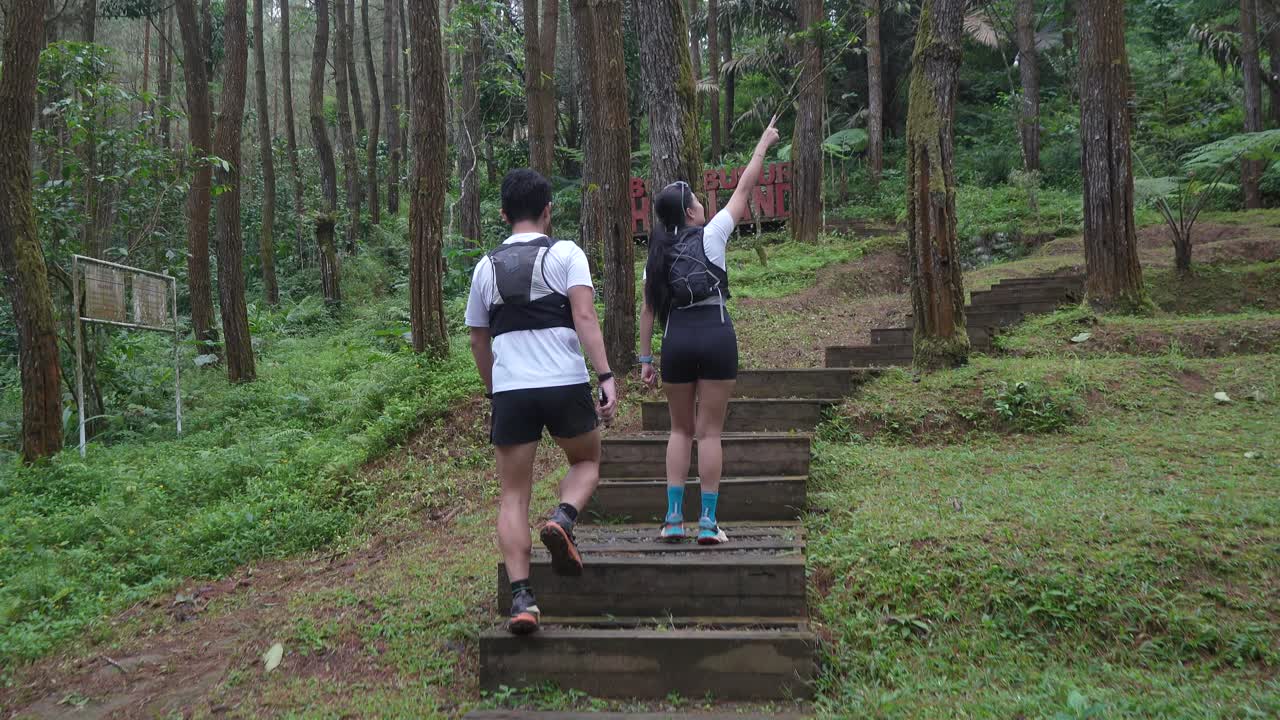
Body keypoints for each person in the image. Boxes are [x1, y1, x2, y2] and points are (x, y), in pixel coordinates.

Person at [465, 168, 619, 635]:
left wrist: (494, 389)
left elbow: (478, 339)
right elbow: (584, 316)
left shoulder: (484, 267)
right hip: (563, 382)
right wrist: (606, 375)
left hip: (511, 389)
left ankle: (523, 600)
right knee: (586, 462)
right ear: (548, 210)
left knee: (513, 495)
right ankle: (563, 518)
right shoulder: (567, 253)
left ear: (503, 214)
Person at [638, 117, 781, 545]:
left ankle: (673, 519)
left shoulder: (657, 254)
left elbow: (648, 310)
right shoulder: (713, 233)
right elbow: (745, 187)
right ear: (689, 212)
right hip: (716, 334)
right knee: (710, 432)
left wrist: (645, 359)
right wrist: (763, 143)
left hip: (676, 340)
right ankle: (707, 522)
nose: (703, 205)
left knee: (680, 430)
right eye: (698, 201)